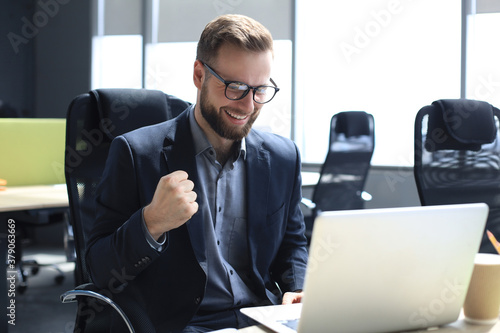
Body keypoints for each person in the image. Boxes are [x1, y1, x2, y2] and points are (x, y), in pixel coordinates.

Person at [86, 14, 308, 332]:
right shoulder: (137, 154)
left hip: (261, 319)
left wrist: (298, 287)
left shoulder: (282, 157)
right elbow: (99, 269)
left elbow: (292, 243)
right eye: (235, 87)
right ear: (199, 74)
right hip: (183, 324)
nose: (248, 105)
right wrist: (151, 223)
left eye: (260, 90)